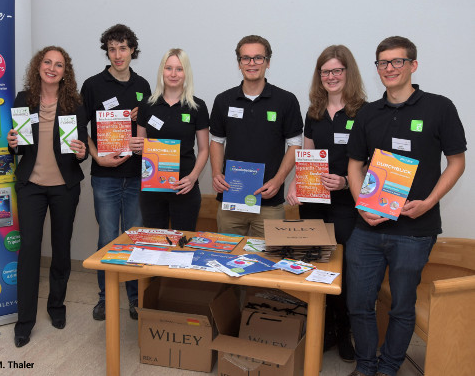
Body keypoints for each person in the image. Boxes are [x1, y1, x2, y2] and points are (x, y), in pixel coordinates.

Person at [346, 36, 466, 376]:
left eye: (397, 62)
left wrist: (429, 202)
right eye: (383, 63)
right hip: (367, 228)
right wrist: (360, 205)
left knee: (401, 306)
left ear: (413, 65)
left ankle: (388, 367)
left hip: (415, 231)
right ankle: (366, 365)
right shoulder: (368, 112)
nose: (389, 69)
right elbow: (355, 164)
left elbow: (457, 161)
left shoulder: (440, 107)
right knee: (359, 303)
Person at [286, 45, 366, 362]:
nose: (331, 77)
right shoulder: (314, 112)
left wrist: (346, 182)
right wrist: (295, 182)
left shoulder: (364, 112)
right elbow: (305, 155)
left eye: (336, 71)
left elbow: (372, 163)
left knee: (343, 272)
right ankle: (326, 329)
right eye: (325, 72)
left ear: (348, 73)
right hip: (314, 204)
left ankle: (344, 332)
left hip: (346, 204)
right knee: (317, 266)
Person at [7, 46, 88, 348]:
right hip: (31, 185)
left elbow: (78, 150)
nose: (52, 68)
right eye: (47, 62)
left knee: (61, 248)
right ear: (38, 66)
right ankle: (24, 322)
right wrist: (12, 143)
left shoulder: (76, 105)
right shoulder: (23, 99)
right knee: (28, 250)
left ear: (65, 72)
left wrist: (82, 153)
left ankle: (56, 307)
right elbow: (18, 146)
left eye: (59, 65)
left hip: (64, 187)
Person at [80, 24, 151, 321]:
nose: (118, 54)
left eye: (123, 48)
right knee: (108, 237)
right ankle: (105, 299)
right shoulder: (93, 85)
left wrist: (140, 122)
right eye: (112, 49)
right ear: (106, 51)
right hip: (105, 176)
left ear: (132, 49)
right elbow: (81, 130)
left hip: (137, 175)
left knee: (134, 238)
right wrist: (97, 157)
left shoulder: (144, 86)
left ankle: (135, 299)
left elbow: (152, 132)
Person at [209, 35, 303, 237]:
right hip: (231, 200)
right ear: (239, 63)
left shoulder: (286, 100)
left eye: (258, 58)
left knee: (269, 265)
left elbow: (295, 145)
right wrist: (216, 173)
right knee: (226, 260)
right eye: (246, 58)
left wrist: (278, 180)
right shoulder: (223, 100)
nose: (252, 63)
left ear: (268, 62)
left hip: (270, 203)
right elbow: (217, 141)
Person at [131, 48, 209, 230]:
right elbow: (140, 147)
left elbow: (204, 149)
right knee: (154, 244)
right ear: (162, 71)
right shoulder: (147, 105)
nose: (173, 74)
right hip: (152, 189)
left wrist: (193, 177)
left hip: (184, 188)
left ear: (186, 73)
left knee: (182, 245)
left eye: (179, 69)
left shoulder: (197, 106)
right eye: (169, 68)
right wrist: (134, 145)